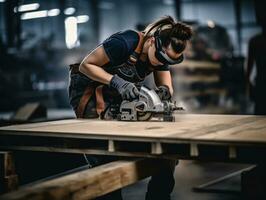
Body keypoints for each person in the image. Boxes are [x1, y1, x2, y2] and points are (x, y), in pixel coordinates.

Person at [68, 15, 192, 200]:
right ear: (151, 42)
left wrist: (165, 92)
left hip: (115, 93)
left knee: (167, 155)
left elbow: (167, 85)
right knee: (103, 154)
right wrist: (117, 82)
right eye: (160, 57)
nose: (161, 63)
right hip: (89, 90)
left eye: (169, 61)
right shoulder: (125, 42)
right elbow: (87, 65)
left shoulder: (160, 54)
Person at [246, 23, 266, 115]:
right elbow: (249, 63)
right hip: (261, 83)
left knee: (260, 112)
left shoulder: (255, 41)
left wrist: (248, 84)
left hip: (261, 82)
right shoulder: (255, 41)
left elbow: (249, 63)